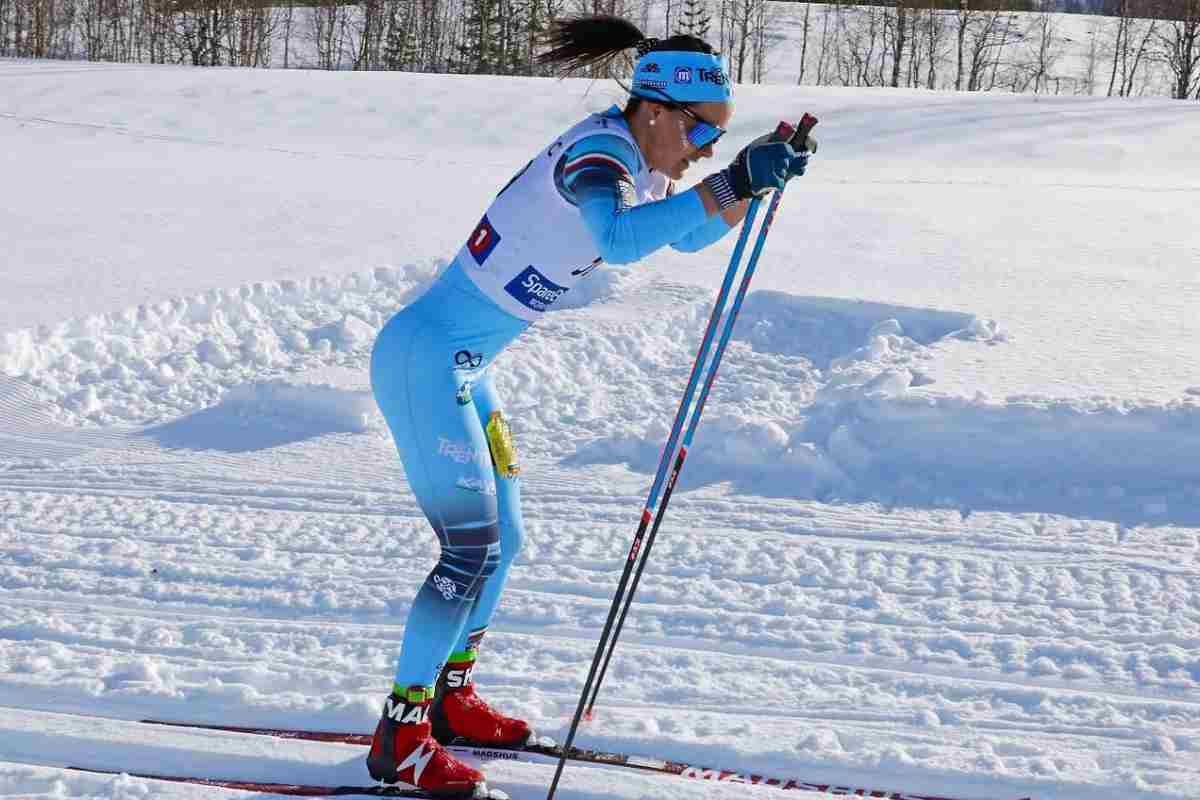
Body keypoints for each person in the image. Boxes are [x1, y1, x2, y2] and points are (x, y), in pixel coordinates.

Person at [365, 13, 809, 796]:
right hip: (423, 364)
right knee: (467, 550)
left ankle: (450, 696)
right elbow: (622, 240)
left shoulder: (639, 156)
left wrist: (751, 183)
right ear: (658, 110)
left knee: (506, 541)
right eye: (704, 131)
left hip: (464, 367)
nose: (706, 149)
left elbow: (685, 236)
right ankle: (400, 737)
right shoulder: (597, 155)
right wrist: (732, 183)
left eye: (717, 138)